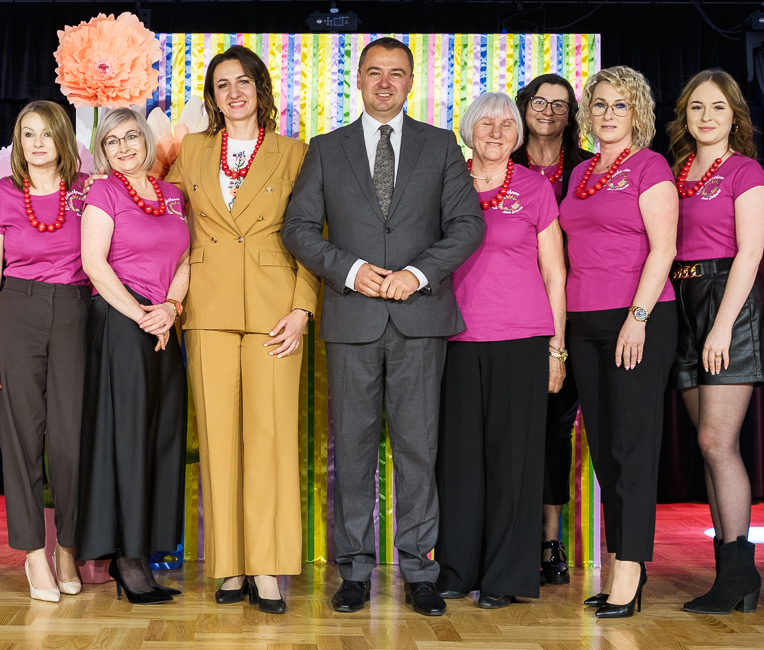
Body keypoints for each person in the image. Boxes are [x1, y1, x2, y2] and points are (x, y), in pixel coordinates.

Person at [282, 36, 485, 617]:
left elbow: (468, 224)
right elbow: (297, 228)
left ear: (411, 82)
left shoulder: (440, 145)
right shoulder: (327, 148)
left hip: (420, 318)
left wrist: (417, 274)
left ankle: (420, 570)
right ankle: (353, 571)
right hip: (352, 317)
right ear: (359, 80)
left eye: (396, 73)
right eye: (375, 72)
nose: (385, 82)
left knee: (419, 449)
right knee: (352, 449)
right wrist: (350, 269)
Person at [165, 45, 320, 615]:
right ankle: (230, 564)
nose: (234, 93)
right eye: (222, 84)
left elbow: (314, 233)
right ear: (212, 97)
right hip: (206, 308)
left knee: (271, 440)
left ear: (261, 89)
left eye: (243, 82)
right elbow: (166, 221)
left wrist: (303, 309)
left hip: (276, 311)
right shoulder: (192, 151)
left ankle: (267, 568)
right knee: (218, 441)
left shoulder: (294, 153)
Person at [436, 92, 567, 608]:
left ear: (518, 134)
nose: (496, 132)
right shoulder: (446, 182)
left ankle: (506, 577)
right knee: (459, 461)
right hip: (454, 338)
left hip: (522, 338)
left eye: (506, 124)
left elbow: (555, 273)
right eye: (485, 123)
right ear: (468, 130)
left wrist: (557, 349)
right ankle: (456, 568)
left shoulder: (535, 188)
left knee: (513, 462)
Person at [558, 65, 678, 619]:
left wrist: (638, 316)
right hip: (583, 320)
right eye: (600, 104)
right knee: (605, 448)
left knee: (632, 446)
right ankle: (623, 559)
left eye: (620, 105)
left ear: (638, 113)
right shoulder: (581, 172)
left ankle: (628, 570)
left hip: (637, 318)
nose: (608, 114)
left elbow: (664, 248)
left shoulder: (650, 166)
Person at [667, 69, 764, 615]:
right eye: (696, 107)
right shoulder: (676, 172)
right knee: (706, 445)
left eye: (717, 107)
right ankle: (730, 577)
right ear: (684, 116)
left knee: (717, 441)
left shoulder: (746, 172)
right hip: (682, 300)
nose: (706, 116)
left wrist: (721, 325)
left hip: (727, 302)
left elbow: (751, 254)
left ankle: (740, 572)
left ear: (735, 115)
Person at [76, 107, 192, 605]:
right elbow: (93, 263)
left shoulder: (173, 196)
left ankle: (146, 552)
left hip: (163, 324)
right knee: (125, 440)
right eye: (112, 141)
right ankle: (127, 560)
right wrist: (142, 315)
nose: (124, 147)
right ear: (102, 151)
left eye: (131, 137)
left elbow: (186, 259)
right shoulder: (103, 192)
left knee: (161, 437)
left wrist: (169, 309)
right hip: (121, 323)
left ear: (146, 140)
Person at [0, 101, 88, 603]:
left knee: (70, 442)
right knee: (20, 440)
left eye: (46, 133)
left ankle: (68, 546)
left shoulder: (88, 191)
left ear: (63, 138)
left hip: (76, 313)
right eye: (27, 134)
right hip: (16, 311)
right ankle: (32, 552)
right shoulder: (0, 196)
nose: (37, 143)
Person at [513, 73, 594, 587]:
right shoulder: (500, 163)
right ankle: (511, 539)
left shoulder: (590, 168)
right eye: (539, 102)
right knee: (512, 427)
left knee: (554, 428)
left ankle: (549, 538)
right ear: (523, 108)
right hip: (513, 313)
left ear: (572, 115)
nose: (548, 111)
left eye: (560, 105)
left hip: (577, 311)